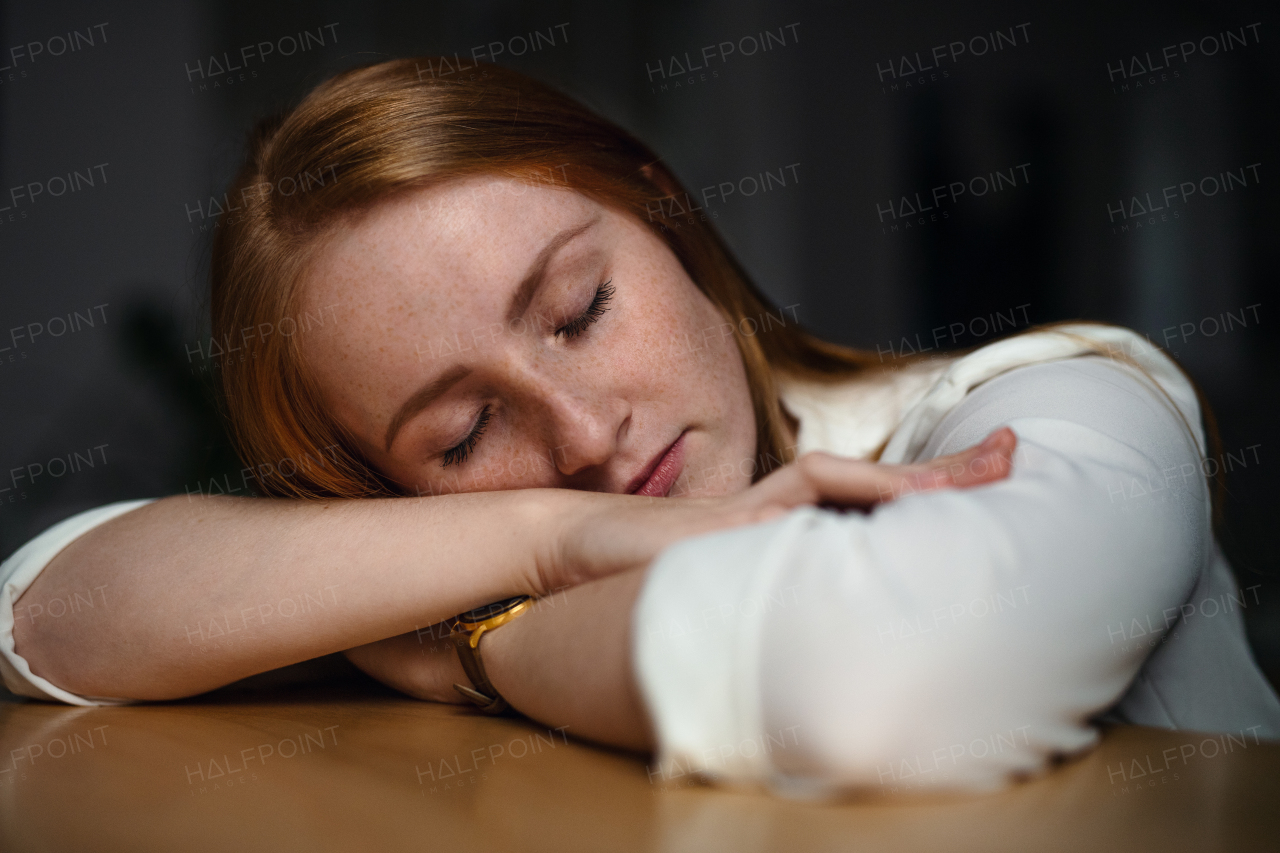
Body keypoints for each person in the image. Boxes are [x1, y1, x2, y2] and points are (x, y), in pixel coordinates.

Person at [3, 59, 1276, 797]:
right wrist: (561, 541)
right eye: (457, 440)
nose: (583, 429)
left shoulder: (1070, 399)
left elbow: (874, 677)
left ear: (661, 212)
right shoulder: (545, 512)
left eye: (580, 306)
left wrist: (474, 653)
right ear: (375, 488)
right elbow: (48, 611)